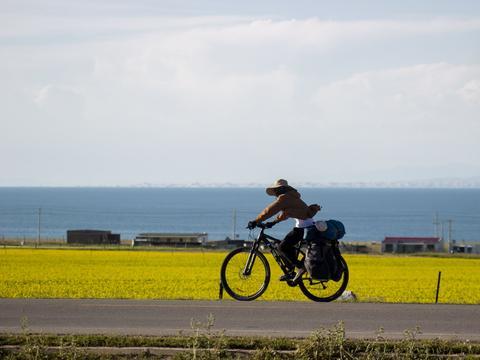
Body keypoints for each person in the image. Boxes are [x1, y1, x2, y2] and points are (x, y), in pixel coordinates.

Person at [247, 179, 321, 281]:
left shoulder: (284, 198)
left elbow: (269, 211)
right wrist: (274, 222)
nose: (275, 193)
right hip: (307, 227)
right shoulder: (291, 196)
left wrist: (255, 221)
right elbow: (286, 214)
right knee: (285, 245)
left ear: (282, 189)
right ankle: (291, 272)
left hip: (303, 228)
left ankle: (300, 267)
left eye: (276, 190)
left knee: (281, 247)